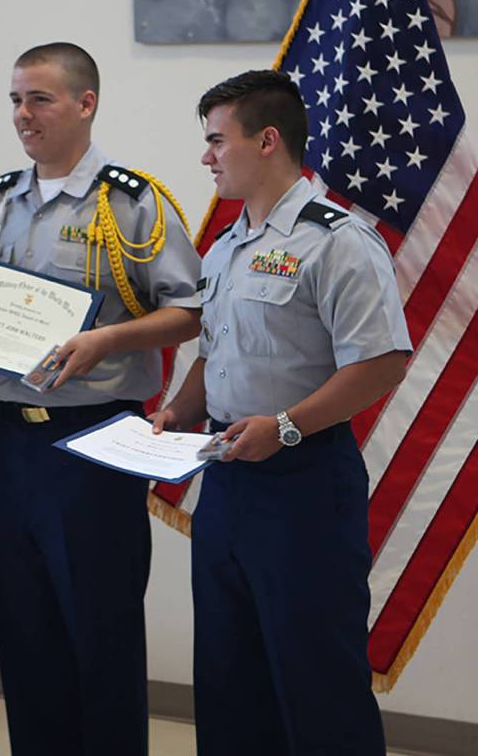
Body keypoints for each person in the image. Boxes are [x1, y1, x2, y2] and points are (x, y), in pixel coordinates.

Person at [151, 70, 412, 755]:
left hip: (302, 484)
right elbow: (219, 347)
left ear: (267, 140)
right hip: (228, 480)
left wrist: (287, 425)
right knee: (228, 680)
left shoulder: (338, 241)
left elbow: (382, 361)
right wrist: (180, 407)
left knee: (315, 682)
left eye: (216, 140)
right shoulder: (227, 245)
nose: (205, 156)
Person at [0, 43, 202, 756]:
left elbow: (191, 311)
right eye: (15, 98)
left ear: (84, 103)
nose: (22, 114)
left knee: (98, 624)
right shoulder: (0, 199)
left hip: (95, 438)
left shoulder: (133, 202)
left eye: (38, 98)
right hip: (11, 433)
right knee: (23, 621)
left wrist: (104, 342)